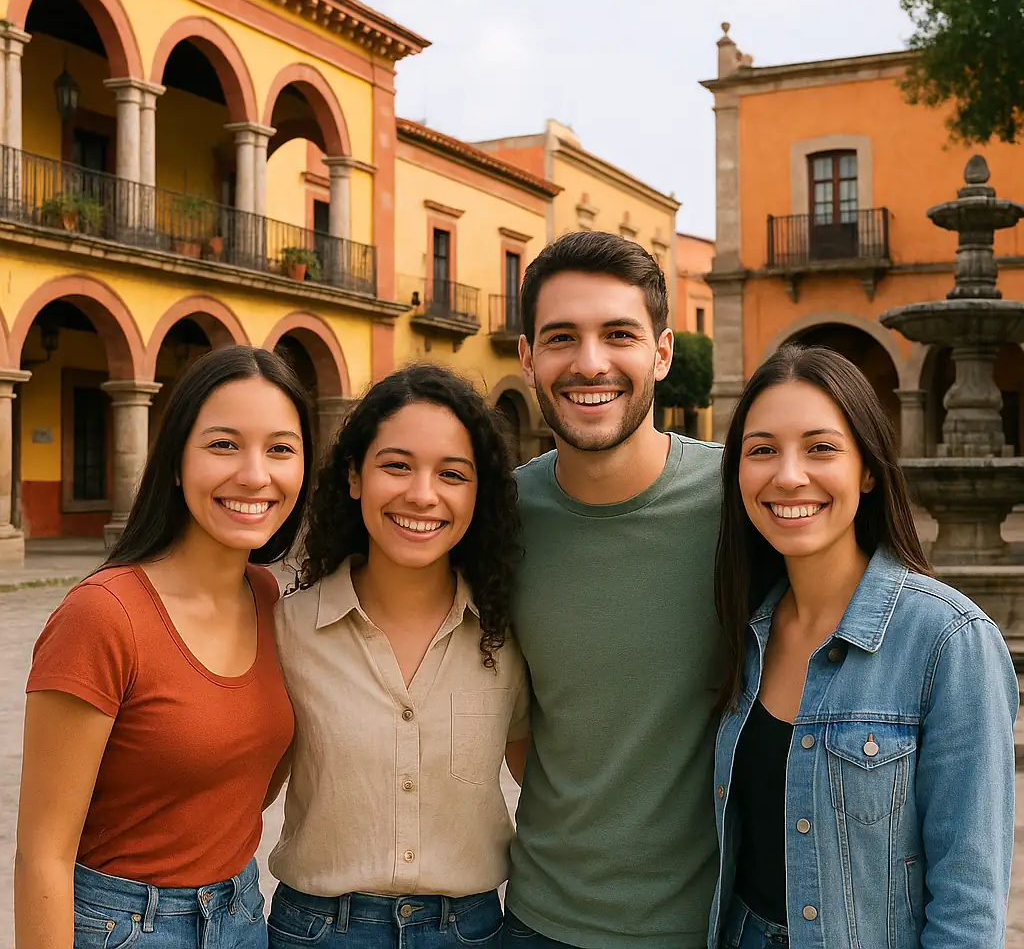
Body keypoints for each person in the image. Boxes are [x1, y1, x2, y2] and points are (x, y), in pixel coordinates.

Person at [709, 344, 1017, 949]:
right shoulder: (741, 630)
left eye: (821, 448)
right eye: (762, 449)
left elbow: (968, 906)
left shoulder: (948, 642)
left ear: (868, 470)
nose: (788, 475)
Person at [15, 345, 313, 949]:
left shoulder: (271, 601)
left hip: (242, 913)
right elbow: (42, 855)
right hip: (123, 925)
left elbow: (247, 789)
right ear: (175, 462)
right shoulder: (104, 615)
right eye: (224, 444)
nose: (255, 475)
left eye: (280, 448)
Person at [504, 231, 724, 949]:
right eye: (561, 337)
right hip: (540, 924)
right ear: (528, 357)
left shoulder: (747, 504)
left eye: (618, 334)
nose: (589, 363)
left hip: (715, 928)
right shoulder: (495, 520)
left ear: (661, 352)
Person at [267, 362, 529, 949]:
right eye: (397, 465)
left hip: (472, 931)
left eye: (453, 474)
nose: (422, 494)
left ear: (478, 492)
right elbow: (242, 791)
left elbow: (541, 777)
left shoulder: (508, 636)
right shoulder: (287, 629)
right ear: (355, 476)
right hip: (316, 930)